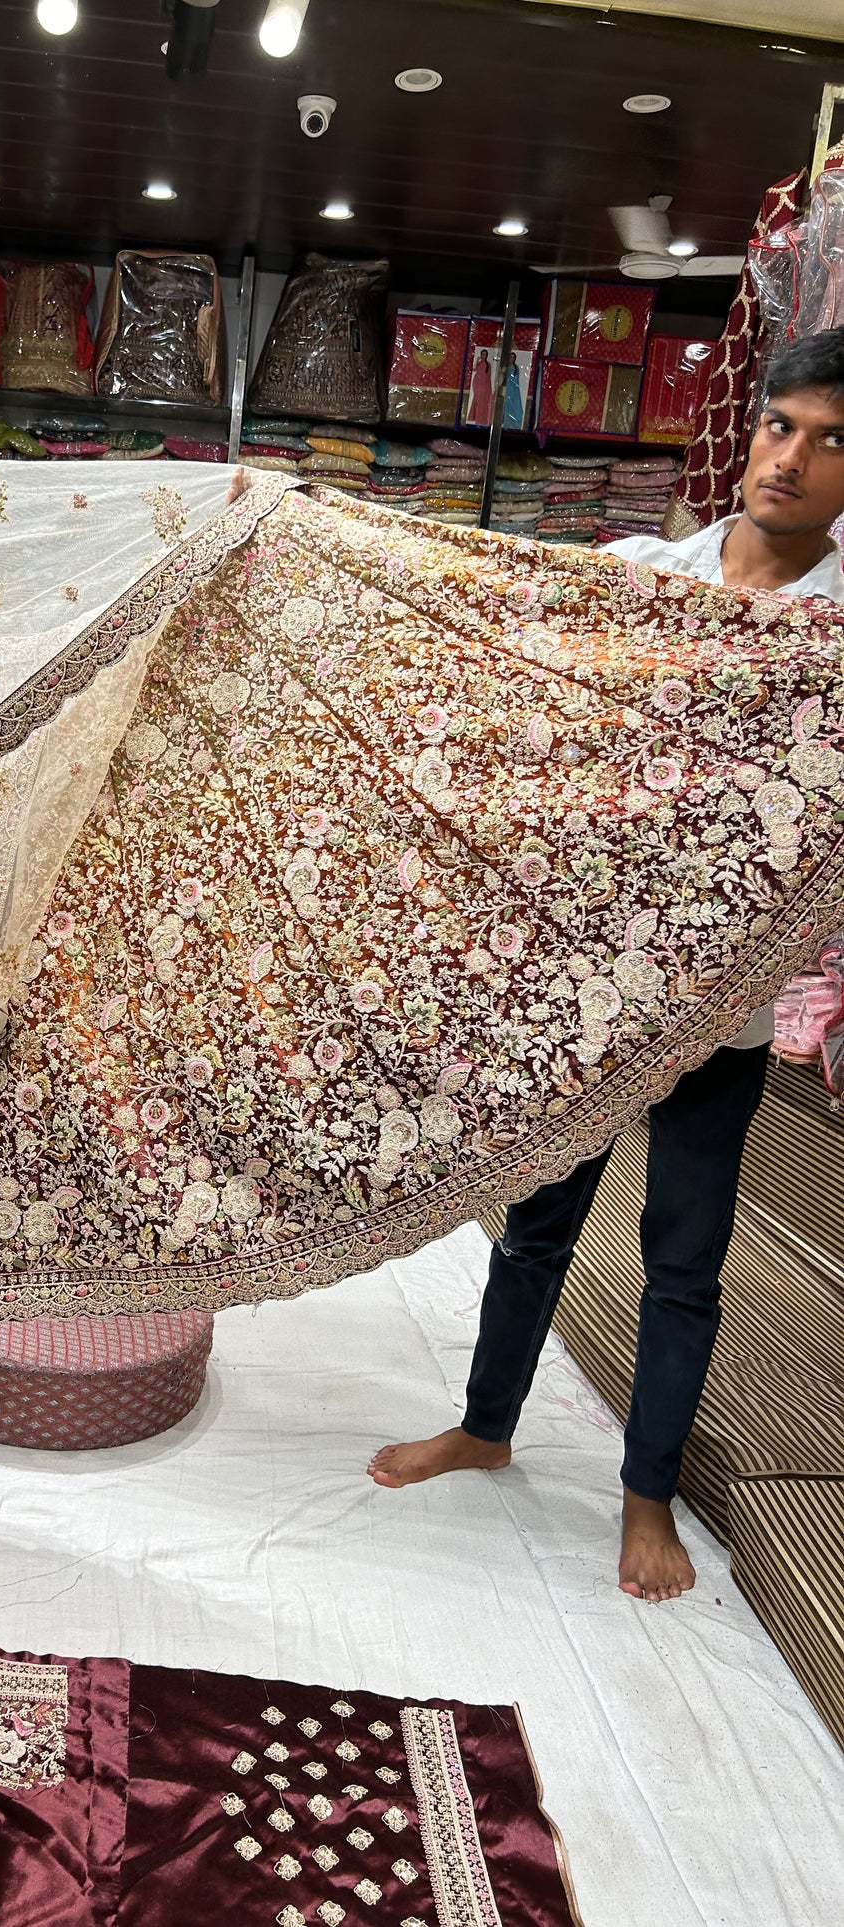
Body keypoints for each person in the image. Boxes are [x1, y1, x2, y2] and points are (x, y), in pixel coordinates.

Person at [368, 327, 844, 1603]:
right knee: (534, 1228)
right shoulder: (638, 579)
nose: (790, 459)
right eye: (777, 425)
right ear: (747, 432)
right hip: (590, 996)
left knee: (683, 1259)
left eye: (831, 439)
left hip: (727, 1013)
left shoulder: (838, 644)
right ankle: (484, 1423)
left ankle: (645, 1500)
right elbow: (504, 670)